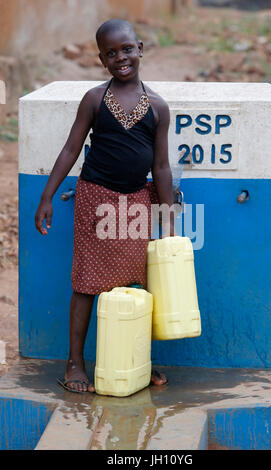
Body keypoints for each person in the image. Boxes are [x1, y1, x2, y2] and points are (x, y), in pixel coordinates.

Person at [34, 19, 175, 393]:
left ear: (140, 48)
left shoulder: (158, 107)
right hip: (96, 199)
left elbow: (160, 166)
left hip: (136, 205)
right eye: (111, 53)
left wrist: (168, 216)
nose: (121, 58)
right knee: (87, 283)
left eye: (127, 49)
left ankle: (135, 361)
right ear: (101, 60)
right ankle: (75, 364)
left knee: (136, 286)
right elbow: (70, 148)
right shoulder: (95, 100)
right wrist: (47, 195)